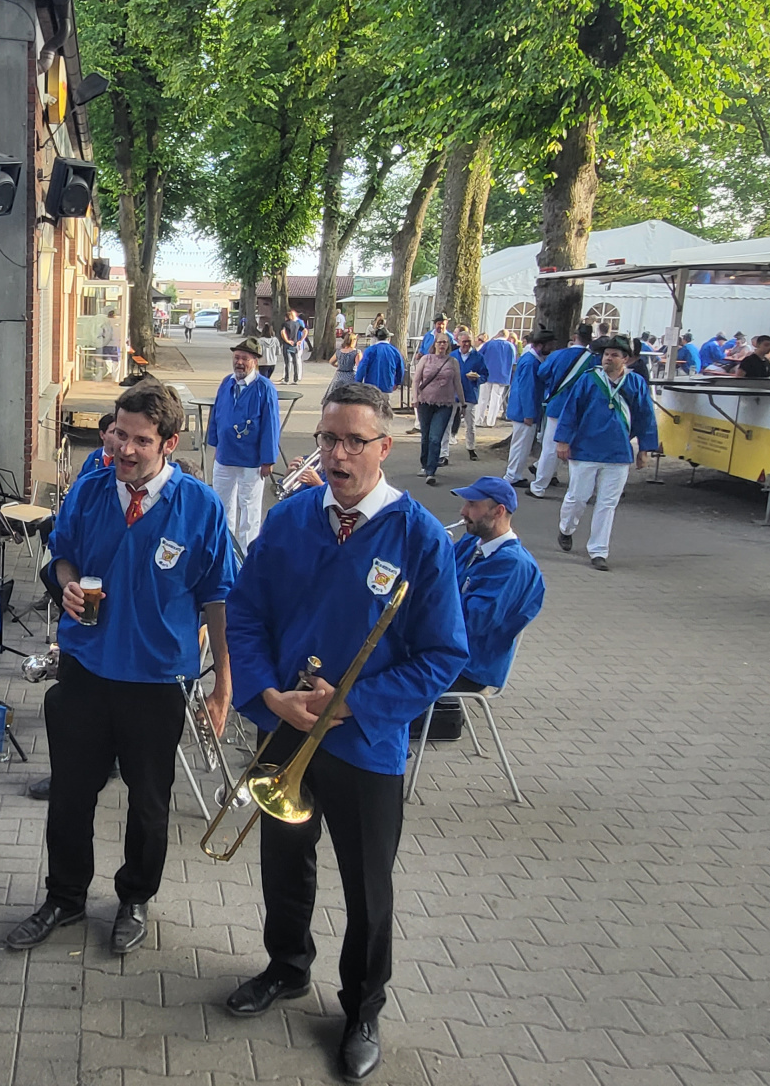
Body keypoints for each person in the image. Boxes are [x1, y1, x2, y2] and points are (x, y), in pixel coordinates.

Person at [222, 381, 467, 1083]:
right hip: (285, 727)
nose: (336, 455)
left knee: (367, 886)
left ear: (384, 447)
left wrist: (352, 705)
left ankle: (362, 1008)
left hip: (365, 743)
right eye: (328, 439)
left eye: (354, 441)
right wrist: (268, 693)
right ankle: (287, 966)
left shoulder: (420, 536)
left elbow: (443, 654)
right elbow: (246, 614)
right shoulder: (291, 518)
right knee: (283, 862)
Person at [5, 380, 236, 956]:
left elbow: (219, 600)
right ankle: (64, 897)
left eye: (141, 440)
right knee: (71, 796)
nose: (124, 450)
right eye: (119, 435)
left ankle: (134, 898)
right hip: (86, 671)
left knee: (149, 803)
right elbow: (62, 556)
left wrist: (223, 687)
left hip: (158, 681)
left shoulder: (201, 507)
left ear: (169, 443)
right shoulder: (89, 490)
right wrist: (66, 586)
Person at [553, 335, 660, 571]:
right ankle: (566, 528)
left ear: (626, 359)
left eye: (614, 355)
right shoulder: (588, 379)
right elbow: (571, 410)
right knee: (578, 497)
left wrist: (644, 449)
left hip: (618, 452)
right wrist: (562, 441)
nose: (608, 358)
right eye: (606, 354)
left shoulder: (636, 383)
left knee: (607, 503)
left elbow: (646, 416)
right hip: (585, 449)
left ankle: (599, 550)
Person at [448, 478, 546, 692]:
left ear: (498, 511)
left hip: (468, 665)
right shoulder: (471, 542)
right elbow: (436, 576)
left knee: (383, 673)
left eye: (472, 505)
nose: (463, 511)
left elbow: (472, 622)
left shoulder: (512, 564)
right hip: (445, 651)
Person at [207, 337, 282, 552]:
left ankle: (247, 552)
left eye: (244, 359)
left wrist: (268, 459)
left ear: (255, 362)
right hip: (225, 455)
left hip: (252, 459)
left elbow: (271, 425)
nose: (239, 363)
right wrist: (215, 442)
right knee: (222, 504)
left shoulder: (264, 388)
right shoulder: (226, 383)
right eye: (237, 358)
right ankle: (225, 550)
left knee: (249, 508)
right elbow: (217, 413)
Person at [529, 323, 596, 499]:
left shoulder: (558, 355)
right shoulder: (593, 359)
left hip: (558, 406)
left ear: (575, 337)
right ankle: (579, 491)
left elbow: (542, 373)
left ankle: (539, 486)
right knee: (579, 451)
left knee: (550, 449)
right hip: (583, 410)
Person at [504, 330, 554, 486]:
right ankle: (513, 475)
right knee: (521, 445)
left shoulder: (530, 359)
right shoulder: (531, 362)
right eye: (549, 345)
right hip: (523, 410)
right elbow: (527, 389)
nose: (551, 348)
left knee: (521, 444)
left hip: (523, 408)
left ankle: (514, 474)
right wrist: (529, 413)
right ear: (540, 345)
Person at [412, 333, 460, 485]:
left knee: (435, 437)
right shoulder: (426, 359)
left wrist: (463, 403)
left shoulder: (453, 362)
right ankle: (424, 464)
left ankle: (431, 471)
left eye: (445, 343)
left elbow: (457, 383)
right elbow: (416, 380)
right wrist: (414, 398)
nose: (442, 345)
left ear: (448, 345)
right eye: (440, 342)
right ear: (435, 344)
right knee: (426, 436)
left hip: (445, 404)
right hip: (425, 402)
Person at [452, 331, 488, 462]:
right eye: (464, 341)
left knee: (470, 424)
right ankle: (443, 452)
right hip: (453, 394)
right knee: (448, 423)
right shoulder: (452, 356)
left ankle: (471, 448)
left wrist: (477, 378)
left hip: (470, 393)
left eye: (468, 341)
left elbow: (485, 375)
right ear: (458, 342)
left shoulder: (478, 357)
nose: (466, 344)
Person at [478, 331, 517, 426]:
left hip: (487, 373)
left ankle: (478, 420)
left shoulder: (489, 343)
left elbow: (479, 355)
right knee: (496, 399)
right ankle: (491, 421)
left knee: (483, 398)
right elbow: (513, 361)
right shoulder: (511, 346)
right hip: (502, 376)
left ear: (499, 334)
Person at [355, 328, 406, 396]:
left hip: (371, 387)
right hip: (387, 386)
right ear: (388, 338)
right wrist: (397, 382)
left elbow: (362, 367)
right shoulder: (394, 351)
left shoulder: (370, 350)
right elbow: (400, 369)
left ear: (377, 338)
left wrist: (358, 382)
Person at [78, 412, 118, 477]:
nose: (117, 436)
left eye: (119, 433)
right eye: (113, 432)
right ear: (102, 435)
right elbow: (81, 480)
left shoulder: (124, 460)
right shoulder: (93, 457)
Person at [280, 308, 306, 383]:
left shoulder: (285, 324)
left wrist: (287, 340)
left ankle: (286, 379)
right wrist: (301, 340)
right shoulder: (297, 324)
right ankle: (296, 379)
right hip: (295, 344)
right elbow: (305, 331)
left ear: (286, 317)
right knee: (295, 362)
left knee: (287, 362)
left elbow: (283, 332)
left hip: (287, 345)